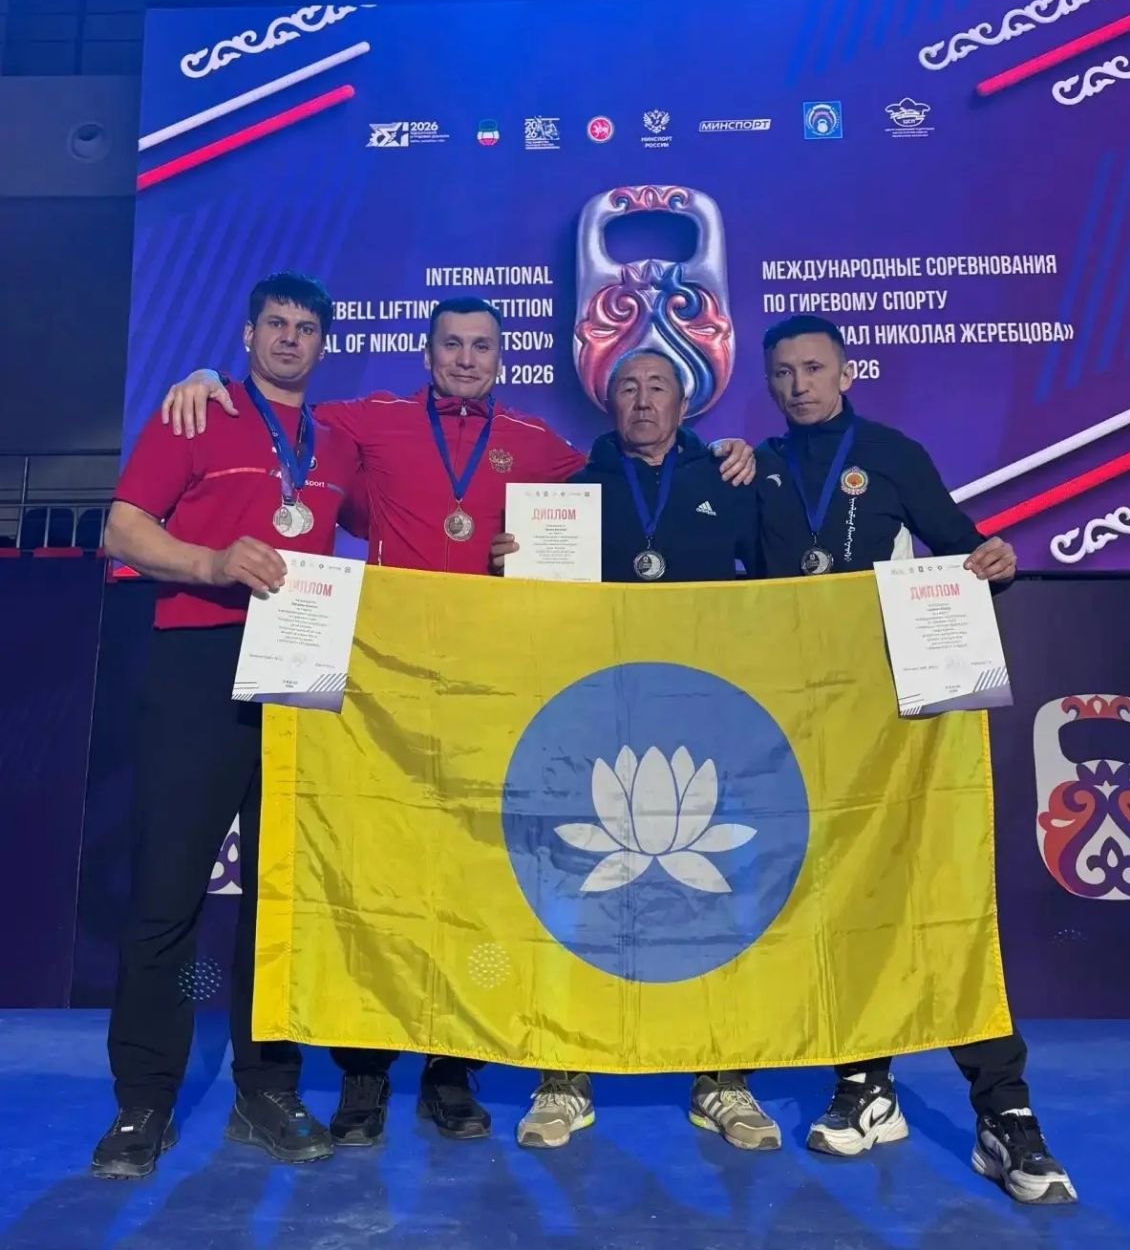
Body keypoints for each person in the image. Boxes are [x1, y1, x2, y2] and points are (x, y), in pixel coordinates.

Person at [158, 299, 757, 1142]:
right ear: (428, 352)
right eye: (452, 345)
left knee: (474, 882)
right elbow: (277, 406)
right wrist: (203, 380)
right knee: (379, 882)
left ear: (500, 358)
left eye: (481, 346)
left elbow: (632, 468)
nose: (466, 359)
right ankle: (364, 1075)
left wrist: (724, 449)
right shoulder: (369, 420)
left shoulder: (542, 446)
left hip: (489, 688)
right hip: (386, 688)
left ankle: (452, 1071)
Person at [754, 314, 1076, 1205]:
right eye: (781, 373)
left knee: (941, 899)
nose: (797, 385)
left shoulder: (892, 454)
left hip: (906, 718)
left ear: (845, 372)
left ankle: (1004, 1112)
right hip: (807, 723)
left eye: (813, 368)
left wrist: (993, 562)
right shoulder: (757, 468)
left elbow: (962, 547)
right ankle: (864, 1083)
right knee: (842, 899)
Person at [93, 272, 367, 1178]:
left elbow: (402, 519)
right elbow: (123, 529)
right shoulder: (196, 413)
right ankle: (143, 1102)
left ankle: (267, 1090)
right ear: (247, 335)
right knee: (167, 890)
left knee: (281, 899)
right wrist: (212, 562)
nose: (290, 338)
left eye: (306, 328)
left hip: (297, 669)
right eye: (275, 324)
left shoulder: (337, 443)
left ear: (323, 345)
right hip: (198, 663)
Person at [489, 348, 779, 1153]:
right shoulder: (571, 493)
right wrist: (509, 566)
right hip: (594, 732)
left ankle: (722, 1077)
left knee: (714, 903)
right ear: (607, 403)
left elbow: (782, 594)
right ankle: (563, 1076)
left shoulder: (730, 480)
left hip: (705, 736)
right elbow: (535, 615)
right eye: (628, 387)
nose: (643, 400)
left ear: (684, 404)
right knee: (575, 900)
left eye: (658, 387)